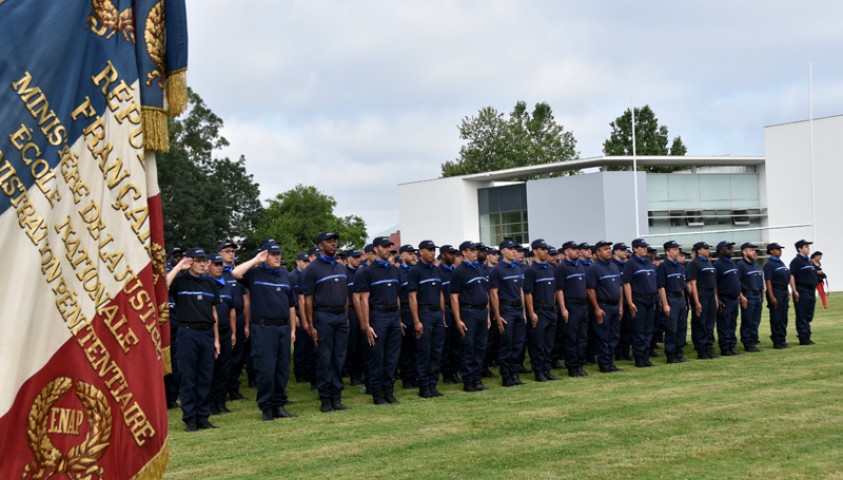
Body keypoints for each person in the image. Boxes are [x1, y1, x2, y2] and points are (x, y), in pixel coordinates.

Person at [232, 241, 297, 421]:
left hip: (283, 327)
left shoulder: (285, 275)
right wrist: (256, 260)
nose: (277, 257)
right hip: (263, 328)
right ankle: (267, 408)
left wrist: (292, 329)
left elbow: (291, 304)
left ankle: (280, 405)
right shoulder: (254, 274)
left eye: (278, 254)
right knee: (266, 368)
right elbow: (235, 272)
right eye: (273, 254)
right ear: (264, 255)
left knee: (282, 368)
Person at [166, 248, 221, 431]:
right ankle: (190, 418)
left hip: (206, 333)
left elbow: (214, 312)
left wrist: (216, 340)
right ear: (190, 262)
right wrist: (180, 266)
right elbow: (164, 285)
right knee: (188, 377)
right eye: (197, 260)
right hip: (187, 333)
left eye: (203, 260)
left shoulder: (210, 284)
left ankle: (203, 417)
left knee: (205, 377)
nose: (202, 264)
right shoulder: (180, 281)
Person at [301, 232, 351, 412]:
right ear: (320, 245)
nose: (333, 244)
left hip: (340, 317)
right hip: (323, 317)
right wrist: (310, 324)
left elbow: (345, 296)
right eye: (329, 241)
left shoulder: (341, 267)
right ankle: (325, 400)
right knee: (324, 358)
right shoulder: (312, 269)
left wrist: (345, 316)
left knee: (339, 358)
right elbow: (307, 299)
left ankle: (337, 398)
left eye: (335, 241)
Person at [354, 236, 402, 404]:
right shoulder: (366, 271)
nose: (387, 249)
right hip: (378, 316)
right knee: (377, 357)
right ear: (375, 249)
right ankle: (377, 393)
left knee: (392, 357)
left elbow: (396, 296)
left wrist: (399, 318)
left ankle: (389, 391)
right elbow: (363, 300)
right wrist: (366, 325)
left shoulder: (395, 270)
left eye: (389, 246)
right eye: (384, 246)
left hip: (393, 316)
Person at [408, 240, 447, 398]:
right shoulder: (415, 271)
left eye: (434, 250)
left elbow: (441, 294)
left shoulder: (437, 271)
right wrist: (416, 320)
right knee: (424, 351)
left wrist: (443, 316)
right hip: (424, 312)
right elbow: (412, 296)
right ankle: (424, 386)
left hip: (437, 313)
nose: (433, 252)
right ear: (421, 251)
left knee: (437, 351)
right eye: (429, 250)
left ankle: (433, 384)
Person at [450, 241, 491, 392]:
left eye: (476, 250)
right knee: (468, 347)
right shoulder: (459, 272)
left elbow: (485, 293)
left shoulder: (480, 269)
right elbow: (454, 297)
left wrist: (487, 316)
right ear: (464, 253)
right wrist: (458, 319)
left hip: (482, 312)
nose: (475, 252)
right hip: (468, 312)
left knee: (480, 347)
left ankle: (477, 379)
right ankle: (468, 381)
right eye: (472, 250)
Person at [489, 239, 527, 387]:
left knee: (518, 344)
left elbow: (521, 291)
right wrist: (497, 315)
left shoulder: (517, 269)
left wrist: (523, 311)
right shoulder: (497, 270)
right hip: (506, 309)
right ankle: (506, 376)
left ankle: (515, 374)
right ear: (503, 251)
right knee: (507, 344)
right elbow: (493, 294)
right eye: (511, 249)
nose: (514, 252)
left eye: (515, 249)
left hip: (518, 309)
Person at [218, 240, 250, 402]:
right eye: (227, 251)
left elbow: (246, 299)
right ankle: (221, 391)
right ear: (220, 254)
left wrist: (245, 324)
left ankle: (234, 389)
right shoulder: (217, 273)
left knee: (237, 356)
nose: (231, 253)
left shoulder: (238, 273)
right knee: (224, 357)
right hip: (222, 319)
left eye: (233, 251)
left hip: (238, 317)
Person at [523, 239, 558, 382]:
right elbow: (528, 293)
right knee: (538, 343)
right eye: (542, 249)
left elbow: (554, 291)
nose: (545, 252)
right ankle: (538, 371)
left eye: (546, 249)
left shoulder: (550, 269)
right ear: (535, 250)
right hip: (539, 310)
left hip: (551, 310)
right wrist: (532, 313)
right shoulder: (531, 270)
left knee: (549, 343)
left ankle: (547, 369)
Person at [586, 241, 624, 373]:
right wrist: (596, 308)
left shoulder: (614, 267)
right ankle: (604, 364)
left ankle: (610, 362)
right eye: (605, 249)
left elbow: (620, 287)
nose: (609, 250)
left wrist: (620, 306)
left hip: (614, 306)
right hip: (603, 306)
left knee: (614, 336)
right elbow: (590, 290)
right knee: (603, 337)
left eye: (609, 248)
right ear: (597, 252)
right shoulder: (594, 268)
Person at [556, 240, 589, 377]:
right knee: (571, 338)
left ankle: (580, 364)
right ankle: (572, 366)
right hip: (571, 305)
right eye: (574, 249)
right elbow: (559, 290)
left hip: (583, 305)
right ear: (567, 251)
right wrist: (563, 308)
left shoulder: (581, 266)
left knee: (582, 337)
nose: (577, 251)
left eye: (577, 249)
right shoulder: (562, 268)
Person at [208, 254, 236, 415]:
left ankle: (221, 402)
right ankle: (211, 403)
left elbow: (232, 309)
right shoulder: (205, 284)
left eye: (221, 265)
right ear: (209, 265)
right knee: (211, 368)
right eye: (216, 264)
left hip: (226, 332)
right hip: (210, 333)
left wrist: (233, 332)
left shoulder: (226, 285)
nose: (219, 267)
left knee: (224, 368)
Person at [623, 239, 658, 367]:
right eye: (642, 247)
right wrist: (630, 302)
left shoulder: (648, 262)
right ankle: (639, 357)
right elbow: (627, 284)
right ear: (635, 249)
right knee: (639, 330)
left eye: (645, 247)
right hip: (638, 299)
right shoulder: (630, 264)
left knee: (648, 330)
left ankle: (646, 356)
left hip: (650, 299)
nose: (645, 249)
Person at [656, 241, 688, 363]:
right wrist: (665, 304)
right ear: (667, 251)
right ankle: (670, 355)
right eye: (674, 249)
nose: (677, 251)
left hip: (680, 298)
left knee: (682, 327)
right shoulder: (663, 267)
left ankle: (679, 353)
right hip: (671, 299)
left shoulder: (680, 266)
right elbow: (661, 287)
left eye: (677, 249)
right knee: (671, 328)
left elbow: (682, 286)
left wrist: (684, 300)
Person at [687, 242, 718, 359]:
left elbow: (713, 282)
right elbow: (693, 283)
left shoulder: (708, 262)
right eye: (705, 248)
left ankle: (709, 347)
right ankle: (701, 349)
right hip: (701, 293)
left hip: (710, 294)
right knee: (701, 322)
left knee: (710, 322)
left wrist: (715, 297)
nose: (708, 250)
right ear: (698, 250)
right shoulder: (694, 264)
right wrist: (697, 301)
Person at [290, 252, 315, 385]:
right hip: (298, 314)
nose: (307, 263)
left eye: (308, 261)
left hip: (309, 314)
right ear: (297, 262)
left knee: (310, 347)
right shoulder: (292, 277)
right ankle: (300, 374)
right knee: (300, 347)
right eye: (304, 261)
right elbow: (292, 298)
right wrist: (294, 317)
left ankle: (309, 373)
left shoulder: (310, 275)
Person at [438, 245, 462, 385]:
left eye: (454, 253)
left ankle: (454, 371)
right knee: (446, 343)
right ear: (443, 255)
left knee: (457, 342)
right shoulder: (438, 271)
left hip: (457, 309)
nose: (453, 256)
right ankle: (446, 373)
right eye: (450, 253)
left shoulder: (456, 272)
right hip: (445, 308)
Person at [165, 246, 185, 410]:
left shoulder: (184, 278)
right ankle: (166, 397)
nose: (178, 258)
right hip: (164, 332)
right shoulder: (167, 275)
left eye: (181, 256)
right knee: (165, 367)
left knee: (177, 366)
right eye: (175, 256)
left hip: (179, 329)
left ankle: (173, 397)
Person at [713, 241, 741, 356]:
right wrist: (717, 299)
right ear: (721, 251)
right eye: (728, 248)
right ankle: (725, 348)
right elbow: (715, 284)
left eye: (732, 247)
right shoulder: (718, 265)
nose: (731, 249)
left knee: (732, 324)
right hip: (725, 300)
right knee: (724, 325)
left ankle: (732, 346)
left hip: (734, 299)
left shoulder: (733, 263)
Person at [397, 244, 419, 388]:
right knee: (406, 348)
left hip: (417, 311)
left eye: (414, 253)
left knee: (417, 346)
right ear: (402, 255)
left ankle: (415, 376)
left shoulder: (415, 271)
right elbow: (396, 296)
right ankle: (407, 379)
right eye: (410, 253)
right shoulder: (398, 272)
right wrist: (398, 318)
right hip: (404, 311)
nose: (413, 256)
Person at [344, 248, 366, 387]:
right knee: (353, 344)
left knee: (364, 343)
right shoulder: (344, 273)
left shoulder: (362, 272)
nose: (358, 259)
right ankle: (353, 374)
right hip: (351, 310)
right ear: (348, 258)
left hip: (363, 310)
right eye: (355, 257)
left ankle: (362, 372)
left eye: (359, 257)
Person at [737, 242, 764, 352]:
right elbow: (737, 282)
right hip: (748, 295)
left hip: (757, 295)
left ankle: (753, 340)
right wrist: (741, 296)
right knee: (748, 321)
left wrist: (762, 294)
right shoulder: (740, 265)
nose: (754, 252)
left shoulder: (755, 264)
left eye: (754, 250)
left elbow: (760, 281)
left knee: (755, 321)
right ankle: (747, 343)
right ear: (744, 251)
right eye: (751, 250)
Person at [790, 239, 818, 345]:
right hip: (802, 290)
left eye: (808, 246)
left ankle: (807, 335)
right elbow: (791, 275)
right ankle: (803, 337)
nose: (808, 248)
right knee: (802, 315)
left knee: (809, 314)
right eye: (806, 246)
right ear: (799, 249)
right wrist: (794, 290)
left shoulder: (808, 261)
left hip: (811, 290)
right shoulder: (796, 261)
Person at [763, 243, 791, 349]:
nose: (780, 251)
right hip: (776, 291)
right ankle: (777, 341)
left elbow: (785, 279)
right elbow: (768, 282)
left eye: (780, 249)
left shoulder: (781, 263)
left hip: (783, 291)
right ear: (771, 251)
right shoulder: (769, 265)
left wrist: (788, 291)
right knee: (776, 317)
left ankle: (782, 339)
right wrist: (772, 296)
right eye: (778, 249)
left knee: (784, 317)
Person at [612, 243, 633, 362]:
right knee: (617, 328)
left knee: (628, 327)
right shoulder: (612, 265)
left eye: (626, 250)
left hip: (628, 299)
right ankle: (618, 352)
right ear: (615, 252)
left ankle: (625, 351)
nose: (625, 252)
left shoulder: (627, 265)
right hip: (617, 300)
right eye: (622, 250)